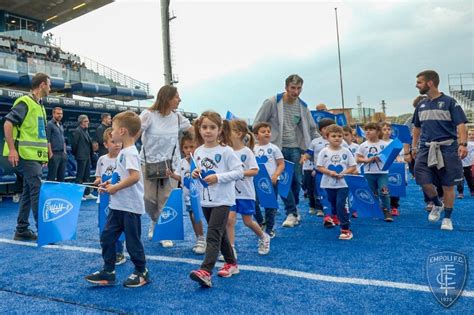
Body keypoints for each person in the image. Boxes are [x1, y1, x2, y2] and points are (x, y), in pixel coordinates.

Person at [85, 110, 150, 288]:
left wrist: (115, 188)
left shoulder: (130, 153)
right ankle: (108, 271)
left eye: (112, 128)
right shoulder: (124, 153)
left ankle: (141, 271)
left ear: (122, 131)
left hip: (130, 207)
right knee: (107, 237)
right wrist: (108, 183)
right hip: (118, 206)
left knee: (132, 242)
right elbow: (120, 174)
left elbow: (134, 176)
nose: (110, 131)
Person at [253, 74, 319, 228]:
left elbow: (311, 128)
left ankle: (293, 209)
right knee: (283, 181)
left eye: (299, 88)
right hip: (275, 147)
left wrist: (319, 144)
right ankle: (291, 212)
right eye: (293, 88)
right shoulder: (272, 102)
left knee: (296, 181)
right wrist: (258, 144)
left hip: (295, 147)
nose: (296, 92)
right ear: (286, 87)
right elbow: (257, 123)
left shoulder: (302, 106)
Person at [189, 111, 243, 288]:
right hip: (206, 201)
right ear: (199, 129)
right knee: (220, 235)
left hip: (223, 200)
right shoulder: (197, 151)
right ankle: (232, 264)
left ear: (220, 130)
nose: (208, 131)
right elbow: (196, 172)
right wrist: (194, 173)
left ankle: (205, 271)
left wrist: (218, 177)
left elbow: (239, 172)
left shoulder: (226, 151)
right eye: (204, 127)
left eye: (212, 127)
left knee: (212, 234)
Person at [412, 70, 468, 231]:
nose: (417, 85)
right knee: (422, 180)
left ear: (430, 83)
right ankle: (437, 204)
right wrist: (414, 146)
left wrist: (463, 144)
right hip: (425, 148)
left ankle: (448, 218)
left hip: (448, 148)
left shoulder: (450, 102)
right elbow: (416, 127)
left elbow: (461, 125)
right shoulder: (421, 105)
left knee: (448, 185)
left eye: (419, 82)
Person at [139, 85, 192, 248]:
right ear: (167, 98)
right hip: (149, 163)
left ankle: (163, 231)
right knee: (148, 198)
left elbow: (193, 131)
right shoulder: (148, 115)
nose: (179, 100)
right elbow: (135, 132)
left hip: (170, 164)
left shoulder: (177, 118)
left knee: (165, 199)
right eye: (177, 96)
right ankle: (155, 221)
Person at [3, 73, 50, 241]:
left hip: (34, 156)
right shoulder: (25, 102)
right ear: (43, 85)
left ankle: (21, 229)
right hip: (24, 154)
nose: (50, 89)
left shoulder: (41, 106)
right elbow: (8, 123)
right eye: (49, 85)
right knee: (37, 189)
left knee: (28, 191)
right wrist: (12, 149)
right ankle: (44, 231)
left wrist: (43, 155)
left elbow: (39, 134)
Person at [226, 119, 270, 256]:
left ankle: (263, 237)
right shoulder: (226, 151)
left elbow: (255, 170)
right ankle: (231, 248)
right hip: (230, 193)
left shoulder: (247, 152)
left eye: (229, 131)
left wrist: (237, 173)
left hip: (245, 193)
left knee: (248, 221)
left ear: (238, 134)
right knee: (229, 219)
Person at [167, 131, 206, 254]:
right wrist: (171, 174)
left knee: (197, 216)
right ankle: (199, 238)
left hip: (200, 196)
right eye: (185, 147)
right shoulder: (182, 162)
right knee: (192, 216)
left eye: (191, 147)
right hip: (188, 196)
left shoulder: (200, 161)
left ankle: (203, 240)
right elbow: (181, 178)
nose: (189, 150)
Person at [92, 127, 126, 265]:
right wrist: (97, 181)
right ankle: (109, 250)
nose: (117, 144)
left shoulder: (124, 159)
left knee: (118, 226)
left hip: (119, 199)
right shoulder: (102, 159)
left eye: (119, 141)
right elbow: (98, 176)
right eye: (113, 142)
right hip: (103, 200)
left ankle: (119, 252)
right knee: (105, 225)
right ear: (105, 144)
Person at [316, 125, 357, 240]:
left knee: (341, 204)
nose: (337, 138)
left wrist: (344, 173)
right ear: (327, 137)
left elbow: (353, 166)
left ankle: (345, 229)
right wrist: (330, 172)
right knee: (332, 202)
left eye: (340, 136)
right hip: (328, 183)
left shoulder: (346, 151)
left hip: (343, 183)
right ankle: (335, 216)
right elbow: (319, 167)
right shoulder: (323, 152)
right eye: (333, 136)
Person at [356, 122, 394, 222]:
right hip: (368, 173)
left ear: (377, 132)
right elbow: (357, 159)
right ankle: (375, 210)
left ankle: (387, 211)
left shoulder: (385, 144)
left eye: (371, 129)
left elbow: (390, 158)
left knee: (384, 191)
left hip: (382, 173)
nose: (367, 131)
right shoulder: (363, 145)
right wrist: (367, 160)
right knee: (372, 193)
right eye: (366, 130)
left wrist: (382, 158)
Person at [252, 122, 285, 238]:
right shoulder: (253, 149)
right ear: (256, 135)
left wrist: (276, 175)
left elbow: (281, 164)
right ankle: (261, 222)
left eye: (268, 131)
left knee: (270, 206)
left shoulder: (274, 148)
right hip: (255, 181)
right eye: (263, 131)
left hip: (271, 181)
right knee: (253, 203)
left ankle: (270, 229)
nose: (267, 133)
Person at [304, 118, 338, 225]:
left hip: (336, 173)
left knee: (336, 194)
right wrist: (304, 157)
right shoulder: (315, 142)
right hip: (320, 172)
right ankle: (327, 216)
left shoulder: (339, 141)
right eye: (325, 128)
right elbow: (310, 154)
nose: (328, 129)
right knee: (322, 194)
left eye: (331, 127)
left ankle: (336, 214)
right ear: (320, 130)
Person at [380, 122, 404, 216]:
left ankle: (394, 207)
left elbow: (398, 154)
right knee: (383, 188)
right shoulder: (378, 142)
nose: (387, 131)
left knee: (395, 186)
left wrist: (398, 160)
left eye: (389, 129)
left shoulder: (394, 142)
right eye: (384, 129)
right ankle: (384, 205)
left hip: (393, 168)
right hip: (381, 168)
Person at [72, 115, 96, 200]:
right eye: (86, 121)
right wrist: (77, 155)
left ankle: (87, 193)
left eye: (88, 121)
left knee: (87, 176)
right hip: (81, 157)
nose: (88, 122)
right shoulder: (78, 131)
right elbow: (74, 145)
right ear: (81, 122)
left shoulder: (86, 131)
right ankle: (77, 194)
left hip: (87, 156)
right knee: (80, 176)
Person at [46, 107, 66, 182]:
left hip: (62, 154)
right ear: (53, 114)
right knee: (52, 176)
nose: (60, 115)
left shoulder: (60, 125)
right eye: (58, 113)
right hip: (54, 153)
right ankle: (49, 193)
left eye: (61, 114)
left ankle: (59, 193)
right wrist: (50, 153)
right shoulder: (50, 124)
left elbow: (63, 139)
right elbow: (47, 140)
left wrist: (65, 152)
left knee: (61, 176)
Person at [456, 128, 474, 198]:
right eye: (469, 134)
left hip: (469, 164)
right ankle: (460, 192)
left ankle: (472, 190)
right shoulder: (463, 144)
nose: (471, 136)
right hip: (460, 164)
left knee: (470, 179)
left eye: (473, 134)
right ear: (466, 135)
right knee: (460, 179)